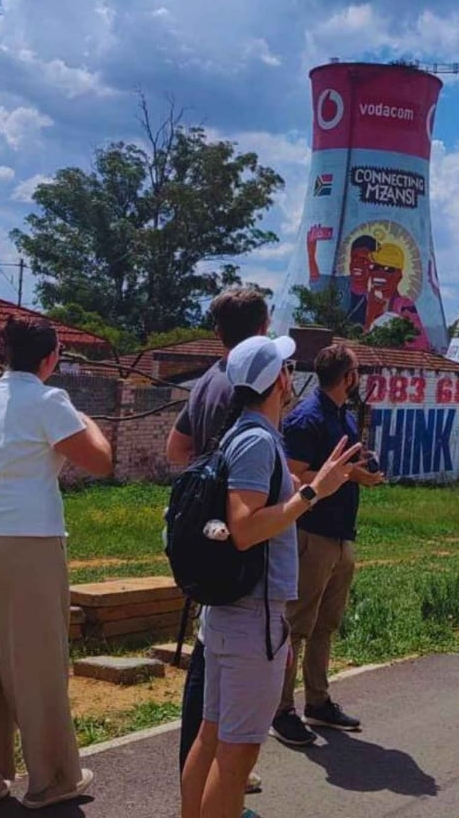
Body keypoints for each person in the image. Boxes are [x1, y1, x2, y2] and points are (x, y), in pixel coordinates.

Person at [180, 335, 364, 818]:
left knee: (211, 736)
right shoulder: (258, 441)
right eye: (287, 367)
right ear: (280, 379)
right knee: (236, 755)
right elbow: (244, 529)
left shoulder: (241, 432)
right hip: (251, 619)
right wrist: (313, 492)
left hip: (234, 614)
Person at [0, 315, 113, 813]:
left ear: (5, 353)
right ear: (50, 358)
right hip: (26, 541)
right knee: (36, 664)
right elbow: (100, 461)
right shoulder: (50, 402)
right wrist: (86, 420)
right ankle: (52, 779)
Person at [163, 289, 272, 800]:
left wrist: (202, 476)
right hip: (238, 539)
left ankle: (203, 783)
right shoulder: (251, 385)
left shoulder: (208, 379)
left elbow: (176, 448)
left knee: (208, 661)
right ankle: (220, 789)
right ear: (264, 327)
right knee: (228, 684)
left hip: (205, 532)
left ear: (217, 332)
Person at [271, 344, 385, 747]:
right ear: (348, 377)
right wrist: (349, 475)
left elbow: (344, 466)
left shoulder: (341, 414)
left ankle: (317, 702)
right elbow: (291, 476)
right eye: (357, 371)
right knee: (297, 625)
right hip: (311, 534)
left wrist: (361, 468)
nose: (360, 378)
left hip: (341, 534)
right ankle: (280, 709)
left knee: (326, 623)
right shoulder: (307, 418)